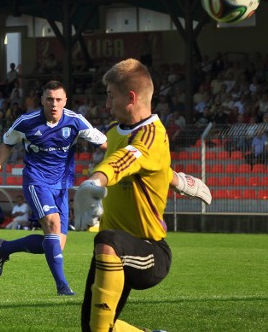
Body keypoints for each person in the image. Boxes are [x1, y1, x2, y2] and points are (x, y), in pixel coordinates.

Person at [75, 58, 211, 331]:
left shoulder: (152, 133)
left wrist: (94, 181)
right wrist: (180, 181)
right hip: (113, 251)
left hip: (149, 251)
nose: (106, 104)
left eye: (110, 96)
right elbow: (153, 167)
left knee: (106, 238)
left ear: (131, 97)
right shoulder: (115, 131)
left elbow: (129, 159)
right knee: (95, 329)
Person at [0, 80, 107, 296]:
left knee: (56, 244)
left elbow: (105, 144)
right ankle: (63, 287)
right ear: (42, 101)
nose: (54, 104)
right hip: (36, 181)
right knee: (52, 224)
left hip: (62, 186)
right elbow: (6, 145)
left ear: (65, 101)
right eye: (49, 99)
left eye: (58, 99)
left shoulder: (76, 121)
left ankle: (6, 247)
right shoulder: (26, 122)